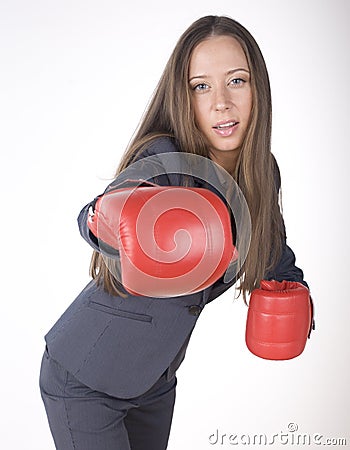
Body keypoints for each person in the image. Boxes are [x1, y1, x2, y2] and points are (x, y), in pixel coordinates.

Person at [39, 15, 313, 450]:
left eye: (236, 81)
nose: (221, 102)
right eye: (201, 86)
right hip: (86, 377)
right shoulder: (165, 161)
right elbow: (93, 218)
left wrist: (290, 286)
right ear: (183, 98)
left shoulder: (262, 172)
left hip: (155, 380)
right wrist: (107, 219)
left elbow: (270, 246)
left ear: (258, 87)